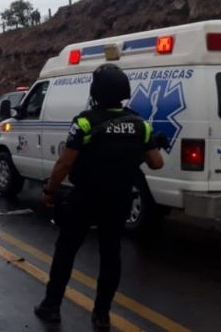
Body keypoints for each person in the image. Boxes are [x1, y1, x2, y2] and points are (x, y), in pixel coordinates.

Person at [34, 64, 164, 329]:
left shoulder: (84, 122)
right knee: (110, 256)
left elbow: (65, 164)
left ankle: (51, 306)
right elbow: (156, 163)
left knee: (66, 252)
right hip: (118, 203)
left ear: (96, 91)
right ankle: (101, 314)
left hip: (85, 199)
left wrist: (49, 191)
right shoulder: (141, 125)